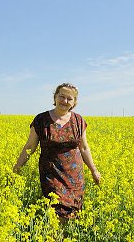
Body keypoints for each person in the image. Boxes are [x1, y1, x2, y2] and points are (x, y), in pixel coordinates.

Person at [13, 82, 101, 220]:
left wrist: (94, 170)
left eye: (69, 98)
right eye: (62, 96)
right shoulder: (41, 120)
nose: (65, 101)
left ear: (74, 102)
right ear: (55, 97)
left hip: (75, 176)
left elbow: (84, 147)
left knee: (74, 211)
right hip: (52, 174)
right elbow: (30, 147)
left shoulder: (78, 120)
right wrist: (17, 167)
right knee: (56, 210)